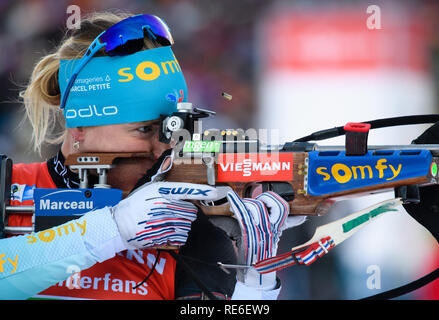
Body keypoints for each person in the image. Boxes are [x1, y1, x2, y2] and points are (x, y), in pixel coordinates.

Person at [0, 11, 304, 300]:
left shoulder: (190, 231)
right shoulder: (10, 186)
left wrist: (255, 285)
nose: (164, 149)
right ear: (80, 127)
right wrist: (114, 229)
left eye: (171, 132)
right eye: (144, 130)